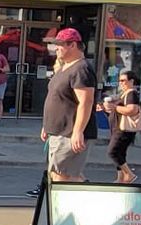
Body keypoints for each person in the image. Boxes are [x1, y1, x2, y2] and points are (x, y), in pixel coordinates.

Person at [39, 27, 97, 183]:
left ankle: (70, 207)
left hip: (69, 132)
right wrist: (48, 126)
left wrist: (78, 131)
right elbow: (57, 98)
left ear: (73, 45)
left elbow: (86, 102)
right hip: (58, 132)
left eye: (60, 44)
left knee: (62, 176)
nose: (56, 48)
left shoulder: (81, 69)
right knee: (61, 174)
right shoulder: (65, 67)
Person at [102, 70, 141, 183]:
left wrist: (114, 107)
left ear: (131, 81)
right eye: (119, 81)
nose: (121, 83)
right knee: (120, 152)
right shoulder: (124, 93)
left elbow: (132, 110)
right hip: (118, 127)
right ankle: (120, 177)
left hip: (123, 129)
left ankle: (129, 174)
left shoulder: (131, 93)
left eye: (123, 81)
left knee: (112, 151)